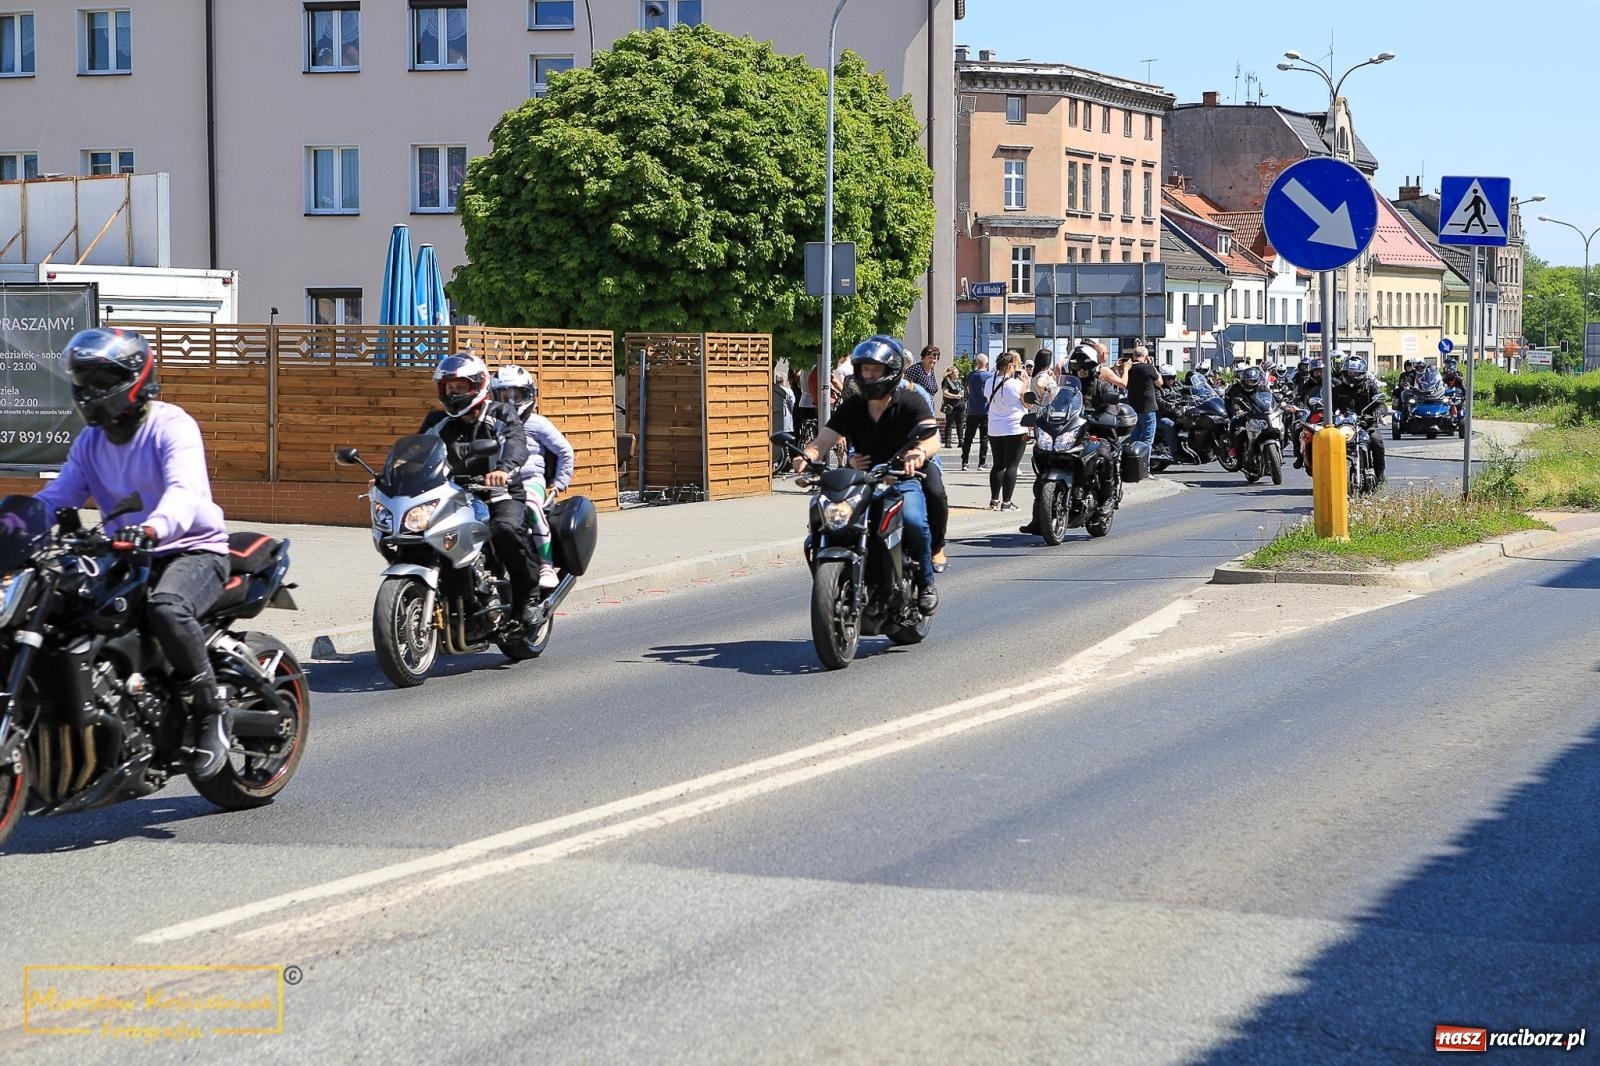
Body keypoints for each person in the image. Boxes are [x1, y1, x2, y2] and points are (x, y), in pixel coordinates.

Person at [32, 329, 235, 778]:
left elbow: (183, 492)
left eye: (102, 380)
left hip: (191, 549)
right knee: (60, 611)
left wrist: (151, 527)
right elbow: (57, 497)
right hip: (127, 553)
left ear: (135, 378)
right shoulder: (91, 442)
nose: (91, 391)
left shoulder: (171, 425)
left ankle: (209, 711)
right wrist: (15, 522)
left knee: (167, 608)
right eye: (84, 380)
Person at [793, 336, 939, 612]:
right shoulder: (853, 407)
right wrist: (807, 457)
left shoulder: (910, 401)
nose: (869, 375)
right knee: (829, 522)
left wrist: (919, 453)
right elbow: (823, 441)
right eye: (865, 369)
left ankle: (926, 580)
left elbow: (933, 438)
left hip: (901, 479)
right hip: (861, 483)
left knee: (913, 520)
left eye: (876, 369)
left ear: (891, 371)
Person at [421, 354, 541, 627]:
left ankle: (527, 599)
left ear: (477, 385)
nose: (453, 393)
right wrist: (392, 474)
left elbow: (515, 442)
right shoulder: (438, 421)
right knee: (425, 536)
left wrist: (504, 468)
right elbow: (418, 451)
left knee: (505, 529)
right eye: (448, 388)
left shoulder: (500, 413)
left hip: (500, 492)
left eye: (459, 387)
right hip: (454, 495)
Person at [491, 365, 575, 592]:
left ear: (528, 395)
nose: (509, 401)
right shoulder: (492, 423)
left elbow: (565, 451)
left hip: (530, 480)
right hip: (496, 483)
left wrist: (559, 484)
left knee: (530, 506)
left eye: (515, 395)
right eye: (503, 395)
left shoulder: (538, 423)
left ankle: (546, 565)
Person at [985, 350, 1030, 511]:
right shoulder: (1016, 384)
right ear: (1011, 365)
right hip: (1015, 427)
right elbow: (1028, 404)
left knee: (997, 464)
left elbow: (988, 399)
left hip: (994, 428)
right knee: (1012, 465)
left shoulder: (989, 382)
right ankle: (1007, 502)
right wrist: (1025, 384)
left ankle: (994, 500)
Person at [1333, 354, 1386, 484]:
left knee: (1376, 441)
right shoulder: (1338, 389)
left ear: (1362, 372)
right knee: (1329, 444)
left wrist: (1377, 412)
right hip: (1345, 426)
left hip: (1367, 424)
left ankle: (1380, 473)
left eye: (1355, 372)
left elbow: (1380, 403)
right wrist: (1328, 415)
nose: (1352, 375)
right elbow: (1330, 406)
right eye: (1350, 372)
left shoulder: (1369, 386)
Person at [1123, 344, 1161, 450]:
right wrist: (1153, 366)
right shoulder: (1149, 368)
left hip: (1133, 407)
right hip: (1148, 407)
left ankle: (1132, 462)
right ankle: (1144, 465)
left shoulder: (1128, 369)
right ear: (1146, 356)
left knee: (1134, 438)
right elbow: (1160, 383)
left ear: (1134, 356)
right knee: (1147, 439)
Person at [961, 353, 992, 470]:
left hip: (972, 409)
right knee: (984, 437)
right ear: (986, 363)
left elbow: (967, 389)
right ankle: (981, 462)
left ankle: (965, 461)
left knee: (968, 437)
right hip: (985, 409)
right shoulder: (989, 376)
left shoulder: (970, 375)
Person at [939, 364, 967, 450]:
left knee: (960, 424)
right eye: (956, 372)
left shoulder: (959, 381)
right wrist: (955, 396)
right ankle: (948, 442)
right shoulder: (947, 381)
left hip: (960, 405)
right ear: (951, 374)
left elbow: (962, 390)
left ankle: (961, 441)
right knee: (949, 424)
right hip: (951, 405)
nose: (958, 373)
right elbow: (945, 393)